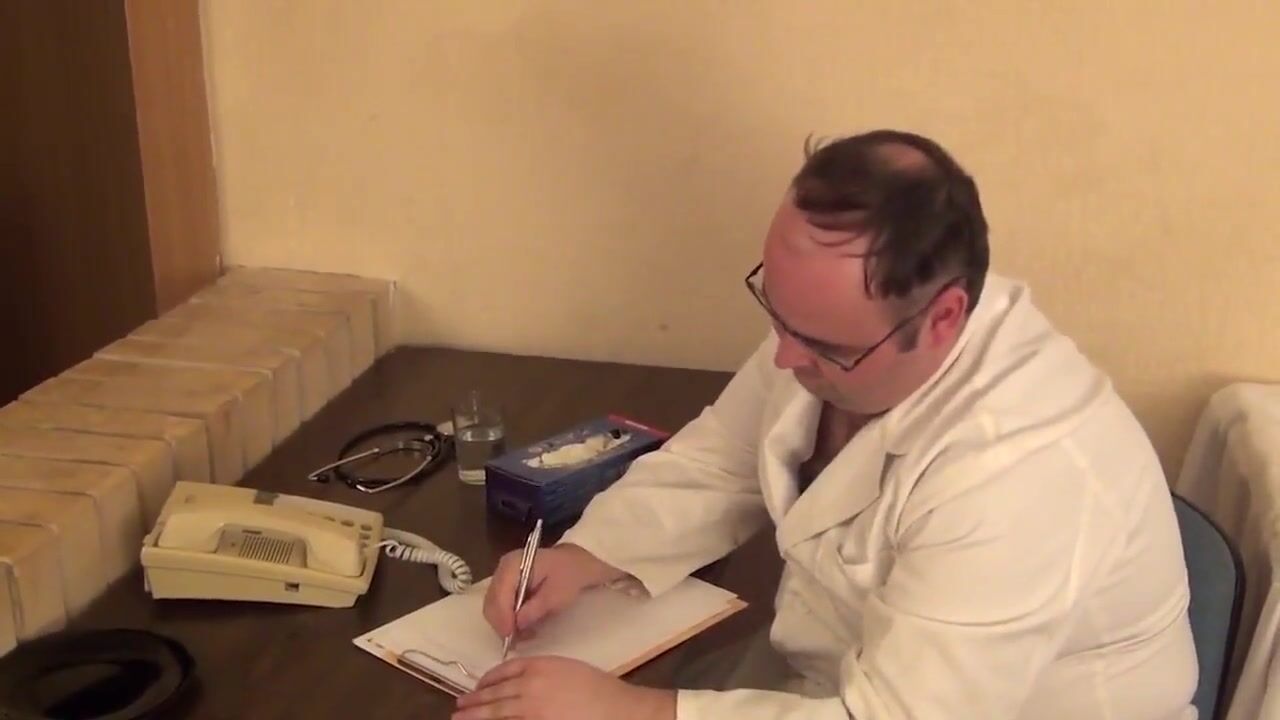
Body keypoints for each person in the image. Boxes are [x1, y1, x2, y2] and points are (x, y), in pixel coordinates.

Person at [450, 129, 1199, 720]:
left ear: (943, 318)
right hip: (825, 679)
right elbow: (720, 463)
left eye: (823, 345)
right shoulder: (841, 323)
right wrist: (589, 555)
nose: (783, 357)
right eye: (776, 313)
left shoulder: (1026, 471)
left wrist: (634, 712)